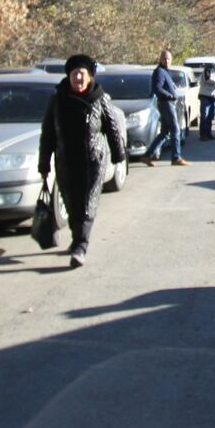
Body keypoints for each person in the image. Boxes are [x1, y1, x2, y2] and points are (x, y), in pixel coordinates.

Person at [38, 54, 126, 268]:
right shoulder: (57, 99)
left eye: (82, 74)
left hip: (93, 160)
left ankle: (80, 246)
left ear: (89, 77)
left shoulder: (99, 98)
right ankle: (77, 237)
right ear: (68, 76)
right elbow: (48, 132)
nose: (78, 78)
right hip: (66, 160)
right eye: (74, 74)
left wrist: (118, 154)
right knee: (71, 203)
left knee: (88, 203)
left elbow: (112, 128)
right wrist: (44, 162)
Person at [144, 49, 190, 166]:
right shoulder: (159, 71)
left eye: (168, 58)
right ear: (160, 59)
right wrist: (169, 95)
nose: (167, 60)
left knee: (164, 132)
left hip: (167, 103)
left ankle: (147, 156)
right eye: (164, 58)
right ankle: (176, 158)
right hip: (166, 103)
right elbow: (157, 88)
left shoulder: (165, 72)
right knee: (175, 129)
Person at [198, 61, 215, 140]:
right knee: (204, 116)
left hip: (213, 96)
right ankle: (202, 135)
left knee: (210, 116)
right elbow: (207, 80)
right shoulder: (208, 69)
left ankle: (209, 133)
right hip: (205, 95)